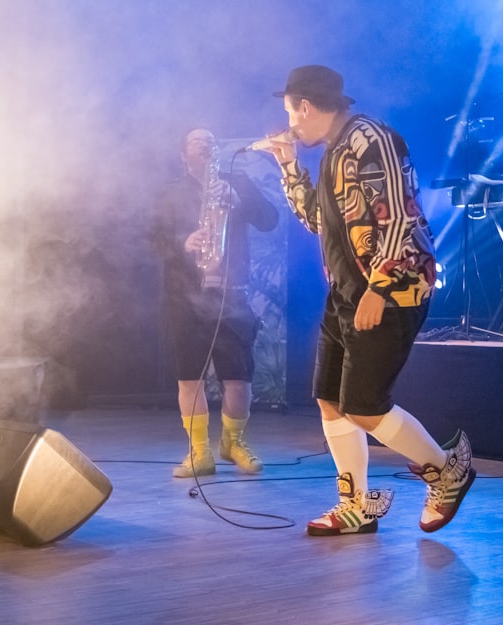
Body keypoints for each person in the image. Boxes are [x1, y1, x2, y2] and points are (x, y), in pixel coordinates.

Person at [261, 65, 475, 535]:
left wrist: (379, 286)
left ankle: (447, 472)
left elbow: (398, 216)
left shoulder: (371, 139)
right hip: (345, 291)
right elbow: (318, 220)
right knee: (329, 401)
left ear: (306, 106)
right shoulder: (333, 151)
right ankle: (355, 506)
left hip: (391, 289)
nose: (290, 124)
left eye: (291, 114)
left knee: (364, 405)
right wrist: (287, 165)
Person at [151, 127, 279, 478]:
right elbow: (154, 240)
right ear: (183, 154)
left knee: (239, 378)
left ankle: (233, 443)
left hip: (231, 291)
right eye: (195, 141)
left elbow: (270, 220)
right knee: (189, 378)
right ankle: (199, 452)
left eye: (209, 141)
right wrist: (183, 242)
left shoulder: (237, 181)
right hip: (184, 295)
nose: (204, 146)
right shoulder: (170, 192)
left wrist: (240, 200)